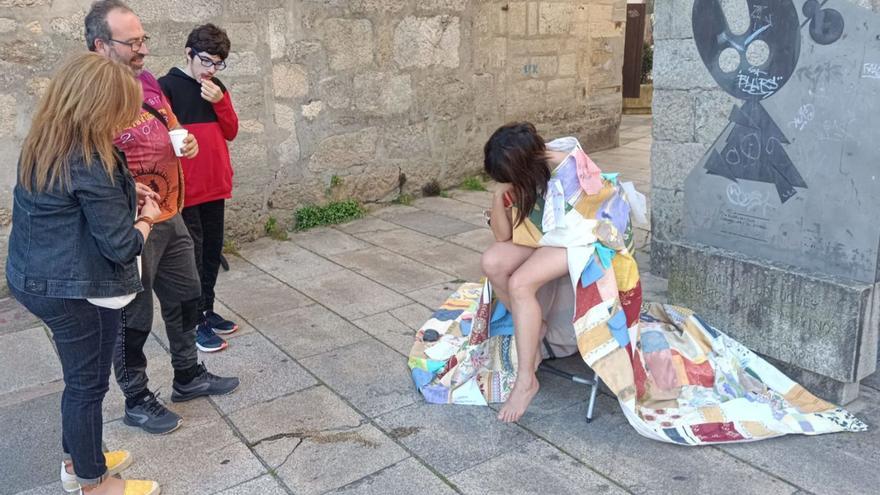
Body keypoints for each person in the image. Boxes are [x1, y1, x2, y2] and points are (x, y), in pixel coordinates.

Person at [6, 52, 161, 495]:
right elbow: (121, 244)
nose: (127, 118)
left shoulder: (45, 140)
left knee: (80, 381)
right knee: (87, 385)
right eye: (120, 108)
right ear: (98, 107)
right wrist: (146, 217)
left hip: (35, 276)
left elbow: (76, 204)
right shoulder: (93, 159)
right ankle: (92, 482)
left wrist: (127, 193)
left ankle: (80, 458)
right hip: (72, 289)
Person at [85, 0, 239, 435]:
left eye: (143, 40)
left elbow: (171, 125)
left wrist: (183, 144)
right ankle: (136, 398)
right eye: (132, 42)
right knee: (133, 317)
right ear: (101, 44)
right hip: (130, 223)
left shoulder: (148, 81)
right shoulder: (91, 92)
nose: (143, 49)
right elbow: (83, 160)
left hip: (171, 212)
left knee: (187, 293)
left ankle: (188, 375)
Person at [480, 122, 597, 423]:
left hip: (581, 239)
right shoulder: (525, 171)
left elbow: (583, 226)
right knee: (493, 262)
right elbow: (503, 238)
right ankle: (534, 326)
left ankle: (526, 380)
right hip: (547, 236)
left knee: (520, 283)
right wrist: (498, 197)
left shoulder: (568, 165)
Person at [159, 23, 240, 352]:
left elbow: (231, 130)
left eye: (218, 63)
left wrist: (220, 101)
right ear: (188, 54)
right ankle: (192, 323)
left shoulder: (216, 87)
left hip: (215, 186)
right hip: (187, 191)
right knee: (190, 259)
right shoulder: (167, 87)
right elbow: (162, 138)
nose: (211, 69)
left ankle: (206, 309)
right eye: (206, 61)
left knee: (210, 253)